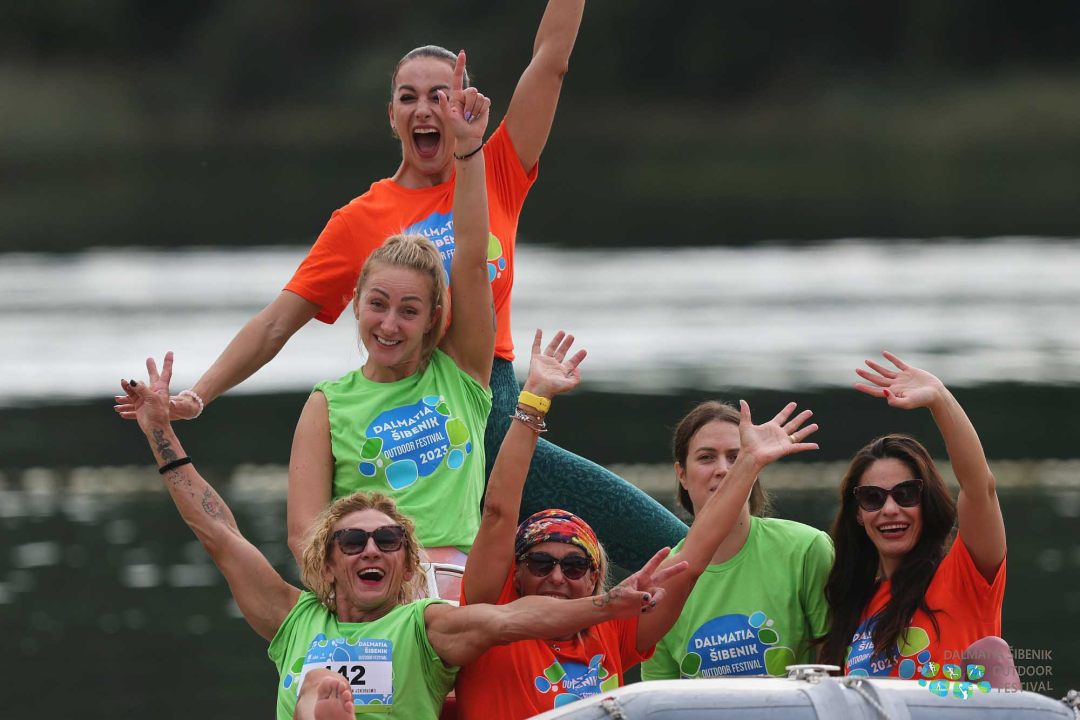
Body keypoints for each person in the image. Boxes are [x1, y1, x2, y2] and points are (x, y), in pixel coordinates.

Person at [113, 3, 688, 571]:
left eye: (439, 94)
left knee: (652, 545)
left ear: (464, 103)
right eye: (408, 97)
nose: (424, 108)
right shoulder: (359, 220)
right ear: (391, 115)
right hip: (411, 426)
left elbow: (551, 61)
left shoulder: (496, 168)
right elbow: (274, 322)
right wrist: (200, 394)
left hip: (487, 403)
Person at [118, 352, 685, 720]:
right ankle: (320, 705)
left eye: (388, 541)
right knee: (316, 684)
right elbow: (219, 534)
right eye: (353, 541)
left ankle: (322, 704)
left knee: (319, 687)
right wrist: (160, 434)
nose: (371, 549)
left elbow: (518, 618)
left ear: (405, 562)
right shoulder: (292, 618)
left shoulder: (425, 627)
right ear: (328, 559)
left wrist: (608, 605)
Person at [453, 330, 820, 718]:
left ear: (595, 579)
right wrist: (533, 401)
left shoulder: (613, 630)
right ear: (514, 577)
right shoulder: (487, 621)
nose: (558, 577)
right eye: (540, 563)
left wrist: (749, 463)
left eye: (576, 565)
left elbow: (693, 560)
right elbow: (498, 511)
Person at [286, 54, 494, 577]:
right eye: (377, 305)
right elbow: (303, 535)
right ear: (354, 306)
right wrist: (363, 595)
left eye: (409, 310)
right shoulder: (327, 405)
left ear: (433, 319)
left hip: (451, 587)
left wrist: (469, 149)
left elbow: (469, 257)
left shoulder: (464, 375)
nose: (389, 324)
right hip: (367, 586)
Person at [817, 352, 1006, 682]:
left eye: (905, 494)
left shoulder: (965, 579)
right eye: (872, 497)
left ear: (927, 501)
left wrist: (940, 400)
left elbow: (980, 488)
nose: (890, 509)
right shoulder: (855, 605)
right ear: (858, 514)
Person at [639, 400, 834, 681]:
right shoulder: (661, 582)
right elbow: (657, 702)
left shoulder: (806, 548)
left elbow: (836, 672)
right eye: (707, 457)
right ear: (681, 474)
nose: (723, 469)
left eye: (737, 457)